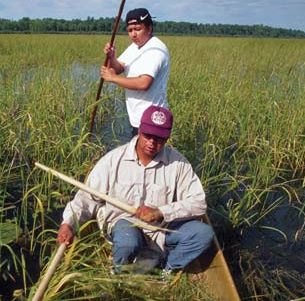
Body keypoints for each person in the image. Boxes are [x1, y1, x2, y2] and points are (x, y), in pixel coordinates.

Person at [57, 105, 213, 278]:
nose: (152, 143)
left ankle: (165, 266)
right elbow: (87, 198)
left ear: (167, 138)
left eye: (159, 138)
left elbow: (199, 202)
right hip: (124, 225)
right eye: (148, 136)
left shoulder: (178, 163)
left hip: (161, 229)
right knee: (127, 241)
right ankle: (119, 275)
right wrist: (68, 223)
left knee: (203, 234)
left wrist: (161, 212)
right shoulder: (113, 160)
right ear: (140, 130)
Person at [101, 8, 171, 137]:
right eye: (130, 30)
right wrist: (111, 57)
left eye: (138, 29)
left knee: (146, 156)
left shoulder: (155, 50)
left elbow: (144, 83)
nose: (133, 34)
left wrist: (113, 78)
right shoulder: (135, 47)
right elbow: (118, 68)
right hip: (138, 119)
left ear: (149, 28)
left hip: (153, 120)